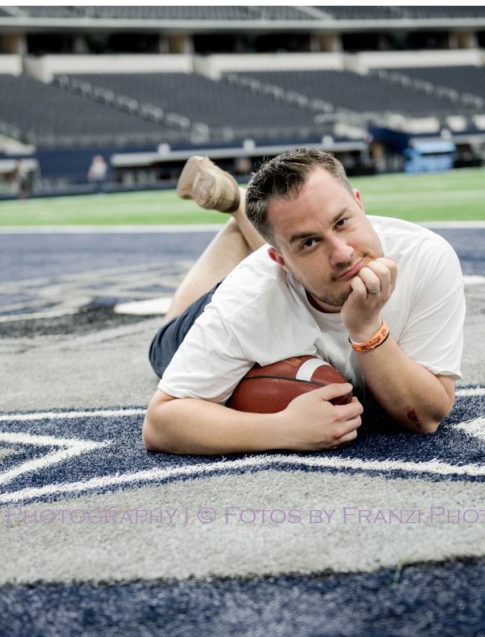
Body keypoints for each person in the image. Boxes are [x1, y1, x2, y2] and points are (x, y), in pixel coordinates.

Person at [144, 149, 465, 455]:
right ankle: (240, 209)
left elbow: (426, 416)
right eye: (309, 242)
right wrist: (281, 429)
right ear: (278, 260)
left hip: (287, 273)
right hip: (257, 292)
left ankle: (246, 209)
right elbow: (161, 423)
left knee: (317, 263)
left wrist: (367, 329)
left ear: (359, 203)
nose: (343, 253)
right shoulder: (243, 304)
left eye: (342, 222)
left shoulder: (425, 258)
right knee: (162, 346)